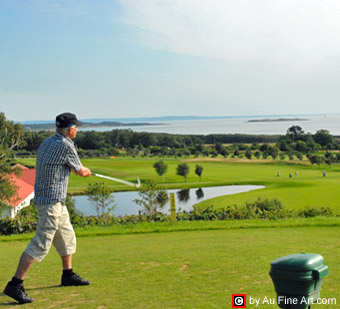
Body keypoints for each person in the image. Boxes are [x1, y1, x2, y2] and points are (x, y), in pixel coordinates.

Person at [4, 112, 92, 304]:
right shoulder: (66, 145)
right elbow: (80, 171)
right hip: (51, 203)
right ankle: (15, 284)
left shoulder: (47, 142)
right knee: (41, 243)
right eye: (76, 127)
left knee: (66, 237)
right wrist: (86, 172)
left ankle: (67, 275)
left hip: (53, 201)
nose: (77, 130)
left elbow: (59, 165)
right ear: (70, 130)